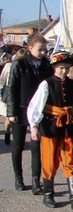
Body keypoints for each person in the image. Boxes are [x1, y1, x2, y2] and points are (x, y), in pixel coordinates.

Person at [26, 51, 73, 210]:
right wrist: (33, 126)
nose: (64, 71)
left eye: (66, 68)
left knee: (71, 160)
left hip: (68, 127)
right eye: (61, 68)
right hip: (50, 127)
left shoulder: (72, 84)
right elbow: (35, 106)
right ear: (54, 67)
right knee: (49, 161)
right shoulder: (46, 84)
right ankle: (48, 194)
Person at [6, 35, 53, 193]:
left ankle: (36, 180)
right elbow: (11, 88)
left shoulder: (47, 65)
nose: (43, 53)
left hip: (38, 111)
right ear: (30, 48)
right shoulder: (19, 64)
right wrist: (11, 112)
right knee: (18, 145)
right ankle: (18, 177)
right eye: (40, 49)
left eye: (45, 50)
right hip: (20, 109)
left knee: (36, 147)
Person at [1, 50, 26, 146]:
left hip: (22, 94)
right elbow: (2, 80)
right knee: (8, 118)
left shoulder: (28, 67)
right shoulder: (9, 66)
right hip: (10, 93)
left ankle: (18, 136)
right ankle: (7, 133)